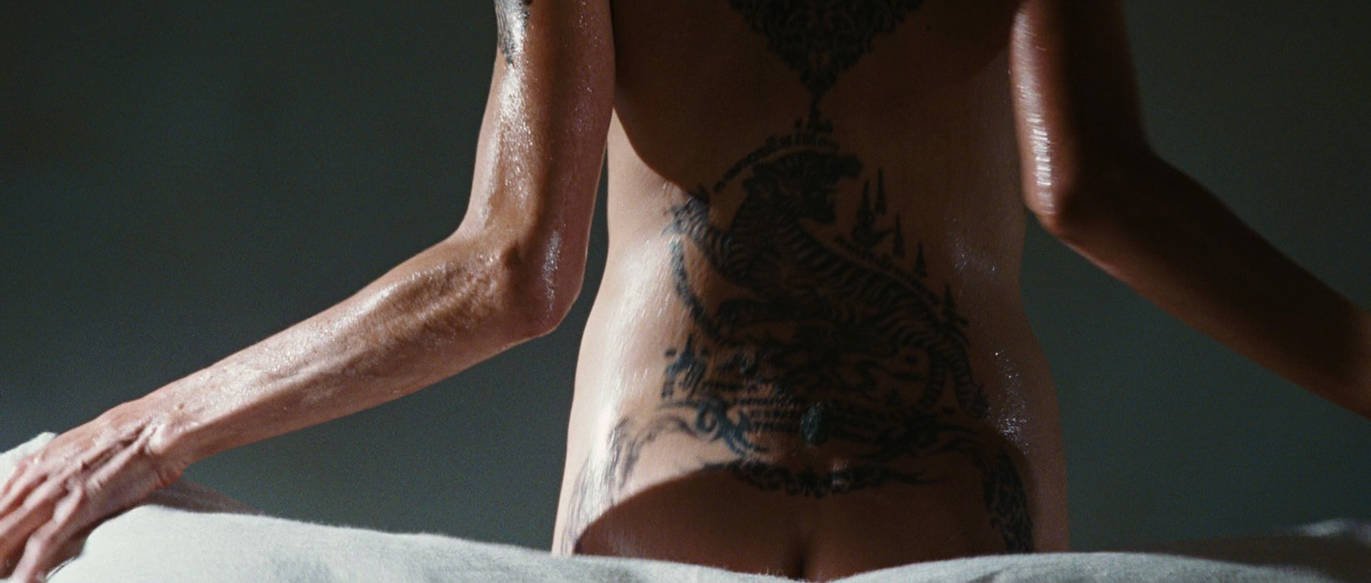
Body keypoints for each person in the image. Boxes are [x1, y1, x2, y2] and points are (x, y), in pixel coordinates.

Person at [2, 1, 1367, 581]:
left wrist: (148, 428)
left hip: (659, 514)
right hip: (956, 516)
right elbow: (1093, 188)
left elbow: (511, 268)